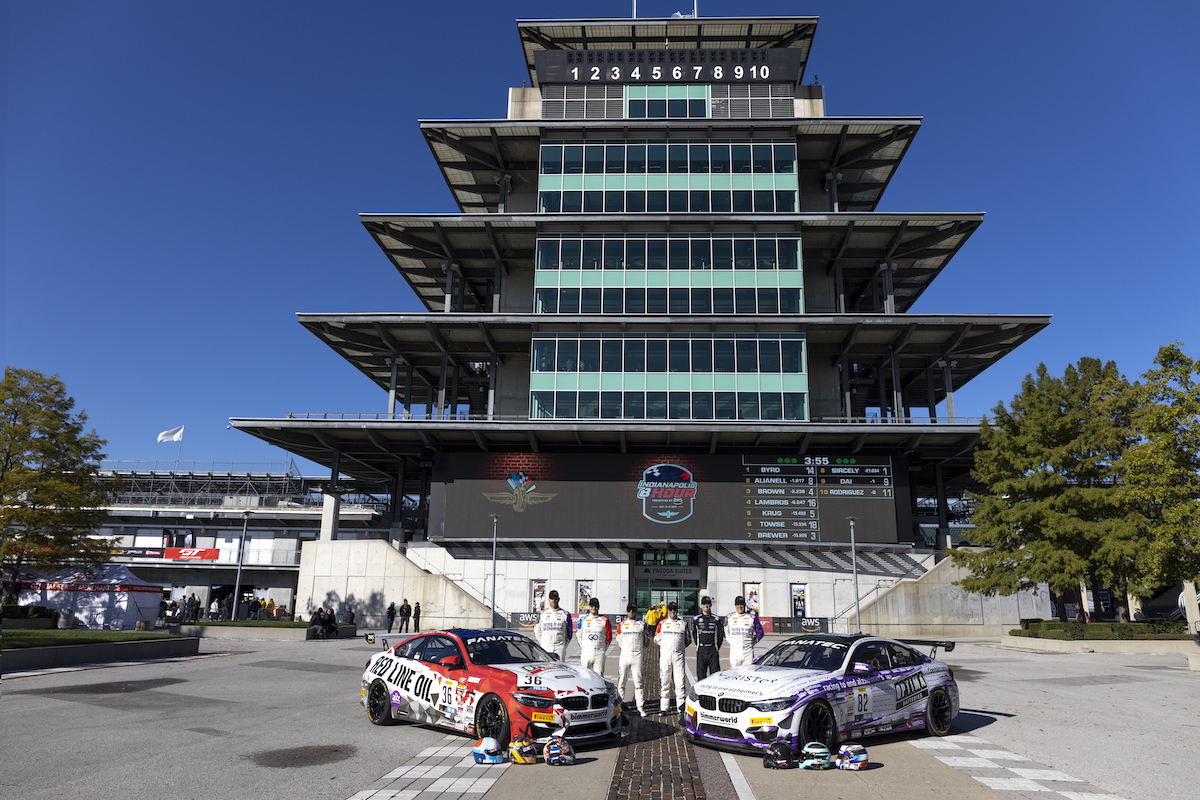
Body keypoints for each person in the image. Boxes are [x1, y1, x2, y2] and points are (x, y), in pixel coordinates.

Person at [654, 602, 691, 715]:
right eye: (670, 609)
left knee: (680, 683)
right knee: (665, 682)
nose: (673, 611)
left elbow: (688, 640)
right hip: (665, 657)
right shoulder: (662, 623)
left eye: (675, 609)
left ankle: (681, 708)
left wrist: (678, 648)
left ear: (677, 610)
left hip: (678, 657)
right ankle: (664, 707)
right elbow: (656, 639)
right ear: (668, 611)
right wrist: (666, 646)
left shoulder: (683, 624)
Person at [616, 604, 648, 717]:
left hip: (637, 656)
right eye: (629, 610)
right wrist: (626, 649)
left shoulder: (642, 625)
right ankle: (619, 706)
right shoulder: (621, 625)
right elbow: (618, 640)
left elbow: (646, 642)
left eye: (633, 610)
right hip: (624, 655)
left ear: (636, 611)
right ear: (626, 611)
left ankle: (640, 707)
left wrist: (638, 651)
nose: (631, 612)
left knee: (638, 682)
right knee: (621, 682)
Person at [691, 596, 724, 680]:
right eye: (704, 604)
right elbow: (694, 634)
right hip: (701, 650)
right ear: (701, 605)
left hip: (713, 650)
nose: (706, 606)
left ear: (711, 605)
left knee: (715, 676)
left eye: (708, 604)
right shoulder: (696, 619)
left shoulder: (716, 619)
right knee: (701, 676)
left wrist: (717, 647)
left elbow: (720, 635)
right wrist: (699, 645)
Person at [725, 595, 764, 667]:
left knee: (748, 673)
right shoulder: (729, 617)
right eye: (738, 604)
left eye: (742, 604)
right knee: (734, 675)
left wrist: (752, 642)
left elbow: (760, 633)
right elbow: (726, 632)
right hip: (735, 653)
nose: (740, 606)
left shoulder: (752, 617)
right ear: (735, 605)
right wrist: (731, 641)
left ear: (745, 605)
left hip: (748, 652)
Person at [533, 590, 573, 659]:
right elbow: (537, 630)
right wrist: (543, 643)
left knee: (559, 669)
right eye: (552, 599)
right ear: (548, 600)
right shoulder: (542, 614)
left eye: (555, 599)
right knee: (545, 668)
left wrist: (563, 645)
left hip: (559, 648)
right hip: (545, 647)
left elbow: (569, 633)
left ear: (558, 599)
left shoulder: (566, 614)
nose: (553, 600)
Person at [578, 597, 612, 675]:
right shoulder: (583, 620)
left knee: (599, 676)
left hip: (599, 653)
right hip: (586, 653)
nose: (594, 608)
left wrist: (603, 648)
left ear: (598, 607)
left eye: (596, 606)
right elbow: (578, 635)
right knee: (584, 676)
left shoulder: (604, 620)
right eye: (592, 606)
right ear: (589, 607)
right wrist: (584, 646)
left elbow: (609, 637)